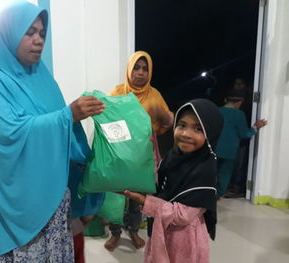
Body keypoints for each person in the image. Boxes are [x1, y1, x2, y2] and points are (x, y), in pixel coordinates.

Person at [0, 1, 105, 262]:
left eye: (42, 33)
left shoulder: (40, 76)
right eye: (29, 32)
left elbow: (64, 129)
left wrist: (88, 173)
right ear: (7, 31)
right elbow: (7, 134)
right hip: (14, 208)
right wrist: (68, 115)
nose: (38, 40)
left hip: (53, 203)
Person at [122, 98, 223, 263]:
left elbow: (183, 215)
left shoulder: (205, 168)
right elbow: (161, 181)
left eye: (198, 128)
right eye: (182, 125)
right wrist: (149, 156)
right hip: (163, 230)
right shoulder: (175, 155)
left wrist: (144, 201)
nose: (186, 134)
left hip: (184, 239)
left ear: (210, 133)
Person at [105, 51, 174, 251]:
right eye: (137, 67)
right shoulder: (118, 92)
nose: (141, 72)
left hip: (143, 156)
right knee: (117, 196)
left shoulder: (154, 95)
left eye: (145, 68)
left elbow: (166, 122)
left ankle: (133, 230)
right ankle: (115, 233)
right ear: (129, 69)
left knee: (137, 198)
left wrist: (167, 118)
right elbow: (108, 120)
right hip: (120, 154)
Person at [215, 89, 267, 199]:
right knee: (224, 174)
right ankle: (217, 196)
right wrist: (255, 127)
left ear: (225, 100)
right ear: (239, 103)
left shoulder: (216, 111)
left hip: (214, 149)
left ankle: (207, 195)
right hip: (230, 151)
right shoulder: (239, 114)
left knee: (212, 174)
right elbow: (244, 134)